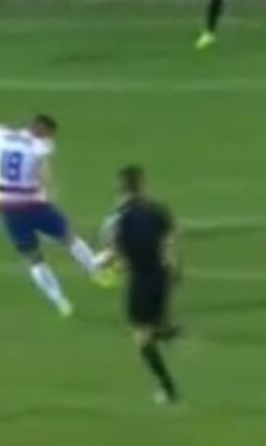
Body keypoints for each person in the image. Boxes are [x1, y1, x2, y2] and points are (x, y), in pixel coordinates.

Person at [0, 115, 111, 318]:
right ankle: (95, 271)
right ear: (40, 128)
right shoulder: (40, 144)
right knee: (68, 235)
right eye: (49, 133)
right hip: (33, 203)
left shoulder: (2, 134)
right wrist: (47, 187)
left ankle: (60, 302)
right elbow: (43, 167)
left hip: (6, 205)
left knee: (33, 258)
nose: (50, 138)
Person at [103, 164, 181, 405]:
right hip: (162, 275)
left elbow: (116, 254)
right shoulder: (157, 210)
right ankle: (166, 330)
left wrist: (101, 264)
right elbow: (170, 239)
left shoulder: (120, 219)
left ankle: (167, 389)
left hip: (141, 279)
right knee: (154, 321)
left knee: (140, 336)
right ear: (141, 185)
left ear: (121, 188)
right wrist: (174, 266)